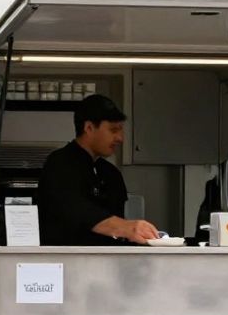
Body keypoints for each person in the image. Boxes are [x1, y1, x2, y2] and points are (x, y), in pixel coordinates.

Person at [36, 95, 160, 245]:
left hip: (110, 257)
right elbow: (77, 211)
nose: (120, 138)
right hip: (66, 256)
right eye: (113, 130)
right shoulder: (59, 164)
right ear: (89, 128)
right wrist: (125, 227)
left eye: (121, 130)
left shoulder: (111, 173)